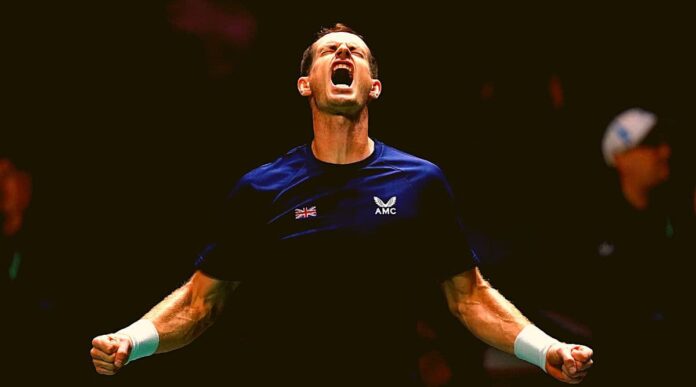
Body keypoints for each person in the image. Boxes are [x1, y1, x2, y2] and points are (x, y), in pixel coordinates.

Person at [90, 23, 593, 386]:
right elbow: (202, 302)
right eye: (329, 50)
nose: (343, 53)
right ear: (305, 84)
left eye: (355, 50)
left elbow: (470, 297)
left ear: (373, 86)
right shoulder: (261, 189)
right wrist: (132, 340)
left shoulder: (419, 182)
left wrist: (545, 349)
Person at [588, 107, 690, 384]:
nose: (665, 151)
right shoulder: (595, 228)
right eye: (652, 143)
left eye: (665, 141)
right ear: (621, 158)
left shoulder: (676, 215)